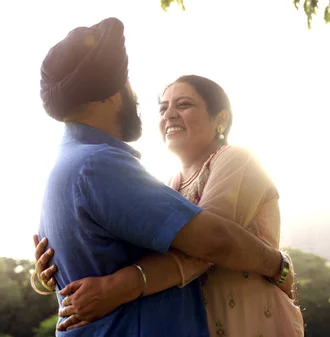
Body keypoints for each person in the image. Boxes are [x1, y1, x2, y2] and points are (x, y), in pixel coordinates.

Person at [33, 17, 295, 337]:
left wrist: (118, 283)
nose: (168, 113)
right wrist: (278, 266)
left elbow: (208, 242)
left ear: (220, 118)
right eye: (162, 106)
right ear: (113, 94)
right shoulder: (100, 165)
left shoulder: (234, 160)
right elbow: (214, 242)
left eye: (184, 104)